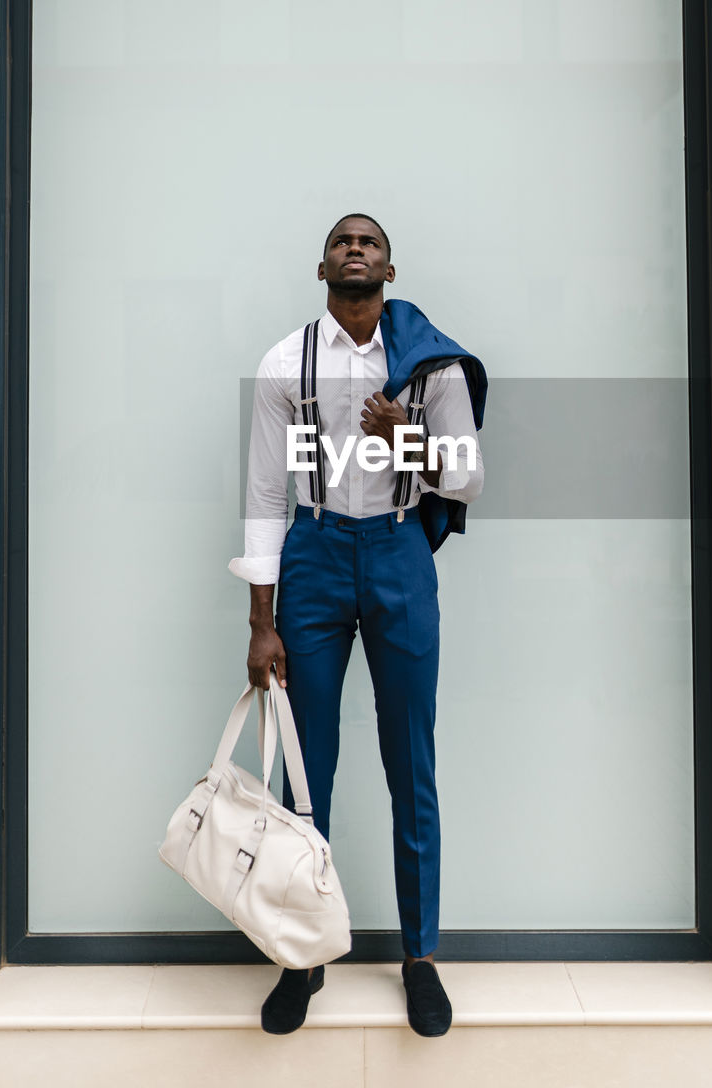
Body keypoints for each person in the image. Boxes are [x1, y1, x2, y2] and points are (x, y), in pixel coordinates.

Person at [229, 213, 485, 1037]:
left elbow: (470, 478)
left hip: (399, 553)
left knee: (412, 759)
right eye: (342, 240)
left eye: (368, 241)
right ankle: (302, 958)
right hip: (312, 554)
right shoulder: (283, 363)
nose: (355, 248)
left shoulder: (427, 365)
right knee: (308, 769)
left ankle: (420, 957)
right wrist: (259, 620)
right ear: (321, 266)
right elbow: (266, 493)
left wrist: (407, 439)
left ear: (389, 267)